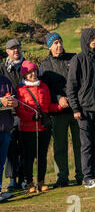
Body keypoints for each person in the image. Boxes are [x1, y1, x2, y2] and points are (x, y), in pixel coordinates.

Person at [67, 28, 95, 189]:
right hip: (84, 110)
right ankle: (87, 177)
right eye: (91, 38)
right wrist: (75, 109)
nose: (94, 40)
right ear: (85, 39)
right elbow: (71, 87)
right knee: (86, 144)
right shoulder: (77, 60)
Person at [39, 33, 83, 188]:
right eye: (55, 43)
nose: (58, 46)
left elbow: (81, 80)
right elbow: (44, 88)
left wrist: (74, 99)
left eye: (60, 42)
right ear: (49, 46)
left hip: (76, 109)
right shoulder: (45, 65)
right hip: (58, 112)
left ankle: (82, 175)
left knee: (80, 144)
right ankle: (62, 177)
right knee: (59, 146)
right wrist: (58, 98)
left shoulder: (74, 58)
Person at [16, 61, 63, 193]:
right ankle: (30, 183)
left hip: (43, 128)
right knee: (29, 157)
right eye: (30, 72)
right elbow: (19, 109)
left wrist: (60, 106)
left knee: (42, 156)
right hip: (27, 129)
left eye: (35, 71)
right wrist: (31, 117)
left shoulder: (44, 87)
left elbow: (48, 107)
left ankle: (41, 182)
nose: (33, 74)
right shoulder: (20, 90)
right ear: (25, 75)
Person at [0, 39, 25, 191]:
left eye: (18, 48)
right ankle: (11, 179)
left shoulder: (27, 66)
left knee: (22, 147)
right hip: (7, 115)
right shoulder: (2, 68)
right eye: (12, 48)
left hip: (22, 111)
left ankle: (22, 178)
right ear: (7, 51)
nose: (16, 51)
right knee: (9, 150)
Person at [0, 74, 18, 202]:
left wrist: (15, 102)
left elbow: (15, 97)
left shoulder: (5, 80)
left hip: (5, 128)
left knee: (0, 163)